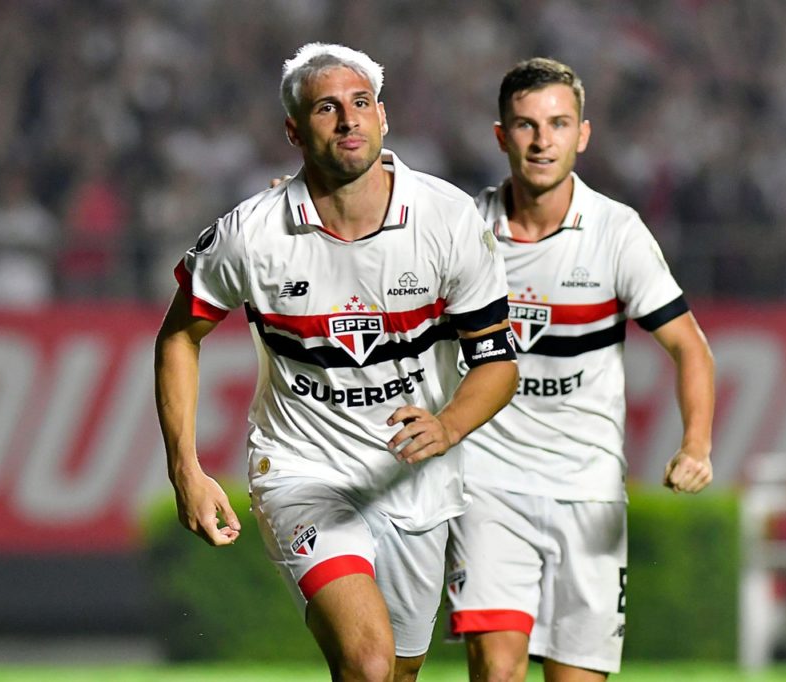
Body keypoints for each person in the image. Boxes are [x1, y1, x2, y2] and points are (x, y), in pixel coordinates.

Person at [154, 42, 519, 682]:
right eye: (328, 108)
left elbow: (497, 361)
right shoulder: (251, 233)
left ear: (383, 117)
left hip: (415, 480)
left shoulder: (448, 219)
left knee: (395, 674)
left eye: (360, 103)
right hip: (303, 472)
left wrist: (450, 425)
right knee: (370, 662)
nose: (349, 120)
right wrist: (184, 467)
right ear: (294, 130)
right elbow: (179, 337)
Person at [444, 58, 716, 681]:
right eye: (526, 125)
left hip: (588, 487)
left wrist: (696, 444)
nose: (542, 141)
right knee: (496, 667)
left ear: (583, 134)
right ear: (500, 135)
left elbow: (690, 347)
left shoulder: (616, 232)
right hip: (488, 483)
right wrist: (303, 205)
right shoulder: (461, 229)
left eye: (558, 124)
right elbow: (376, 248)